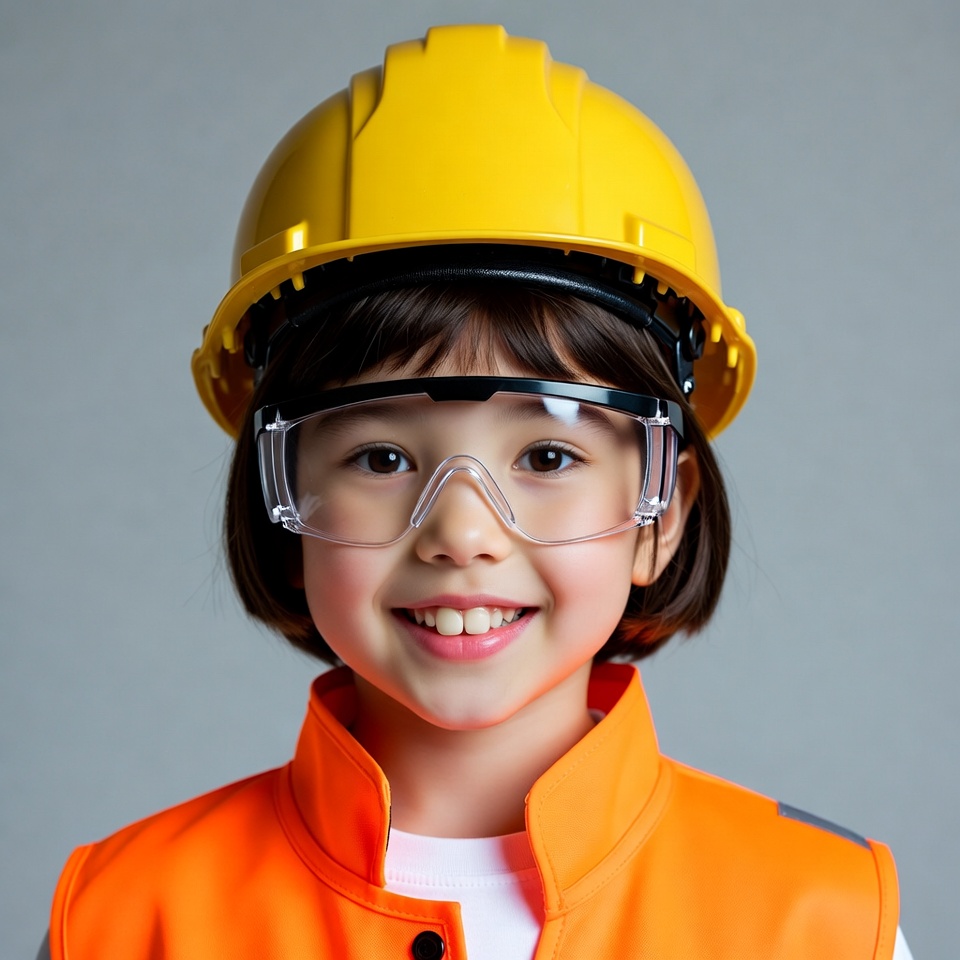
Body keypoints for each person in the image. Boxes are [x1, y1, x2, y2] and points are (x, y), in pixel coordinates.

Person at [42, 24, 912, 960]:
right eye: (382, 459)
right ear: (282, 502)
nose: (461, 533)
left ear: (662, 511)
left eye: (548, 457)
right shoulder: (124, 919)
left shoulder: (816, 922)